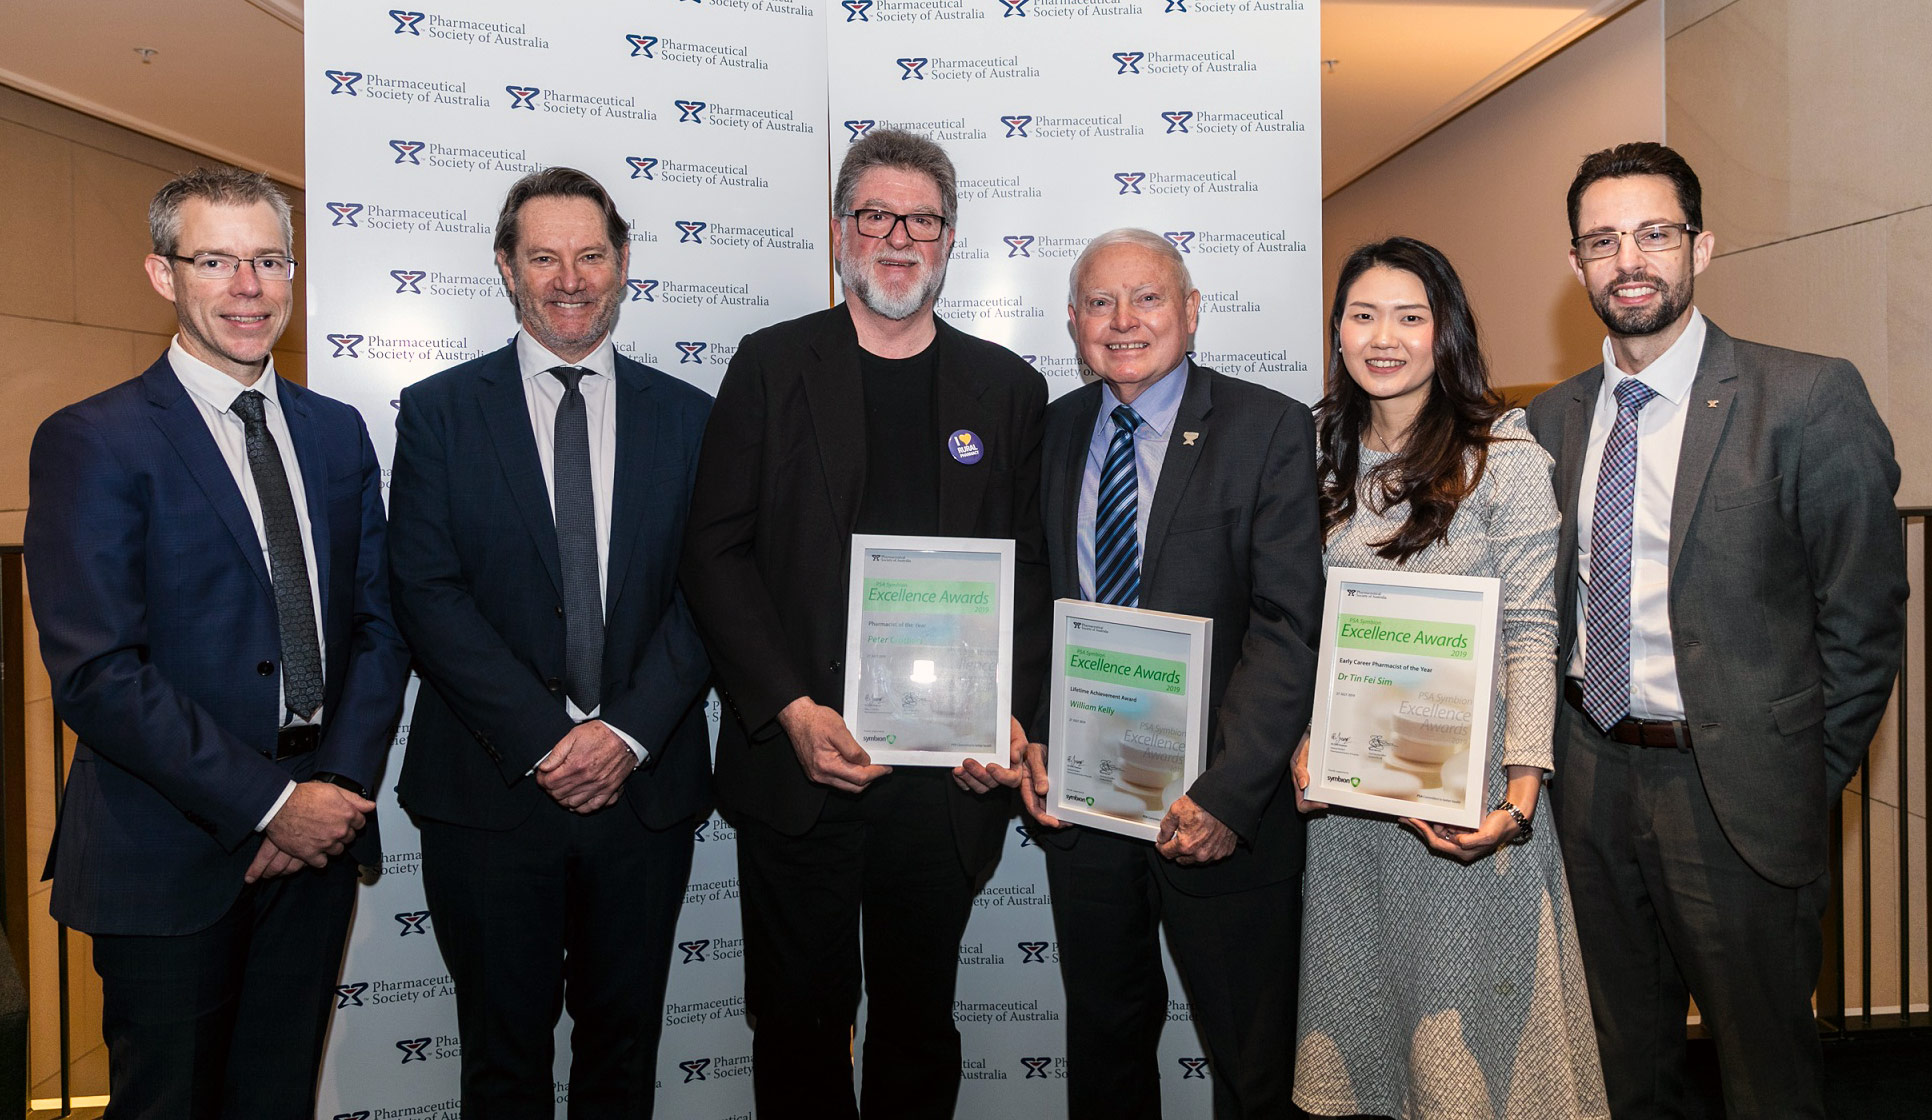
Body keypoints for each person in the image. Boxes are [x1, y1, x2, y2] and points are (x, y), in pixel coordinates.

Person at [1525, 142, 1906, 1118]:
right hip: (1588, 782)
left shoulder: (1806, 399)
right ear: (1576, 264)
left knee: (1767, 1076)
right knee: (1621, 1068)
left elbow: (1863, 618)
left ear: (1701, 246)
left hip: (1736, 794)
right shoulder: (1550, 421)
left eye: (1654, 233)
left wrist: (1796, 776)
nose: (1629, 260)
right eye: (1603, 241)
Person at [25, 166, 410, 1118]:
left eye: (270, 261)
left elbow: (378, 624)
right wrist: (268, 804)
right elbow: (97, 674)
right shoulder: (93, 439)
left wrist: (330, 792)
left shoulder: (336, 433)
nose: (249, 287)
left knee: (277, 1099)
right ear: (164, 275)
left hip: (317, 846)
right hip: (167, 855)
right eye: (216, 261)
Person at [679, 127, 1049, 1119]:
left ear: (949, 239)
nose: (897, 239)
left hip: (943, 783)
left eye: (920, 221)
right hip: (801, 766)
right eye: (875, 216)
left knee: (919, 1030)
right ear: (841, 231)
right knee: (797, 1028)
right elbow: (713, 551)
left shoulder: (1010, 391)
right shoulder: (770, 365)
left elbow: (1032, 573)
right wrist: (788, 708)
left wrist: (1007, 719)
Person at [386, 167, 714, 1117]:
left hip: (642, 793)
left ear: (623, 263)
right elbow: (426, 594)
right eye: (543, 257)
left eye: (591, 255)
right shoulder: (439, 413)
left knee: (624, 1056)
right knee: (502, 1063)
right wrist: (547, 740)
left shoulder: (691, 417)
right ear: (506, 267)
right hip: (489, 793)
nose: (570, 279)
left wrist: (624, 734)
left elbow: (710, 594)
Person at [1288, 237, 1607, 1119]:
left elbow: (1534, 632)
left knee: (1471, 1070)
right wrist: (1307, 739)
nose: (1383, 337)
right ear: (1338, 331)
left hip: (1466, 803)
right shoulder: (1313, 452)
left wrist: (1519, 795)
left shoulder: (1503, 457)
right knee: (1369, 1050)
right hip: (1352, 813)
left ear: (1445, 332)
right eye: (1362, 315)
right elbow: (1304, 625)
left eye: (1409, 316)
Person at [1007, 228, 1323, 1118]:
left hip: (1216, 805)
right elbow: (1038, 596)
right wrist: (1031, 730)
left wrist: (1229, 793)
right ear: (1073, 322)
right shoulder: (1056, 430)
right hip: (1087, 805)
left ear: (1190, 311)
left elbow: (1288, 624)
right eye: (1100, 302)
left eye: (1147, 298)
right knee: (1105, 1048)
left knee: (1251, 1069)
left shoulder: (1267, 427)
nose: (1123, 321)